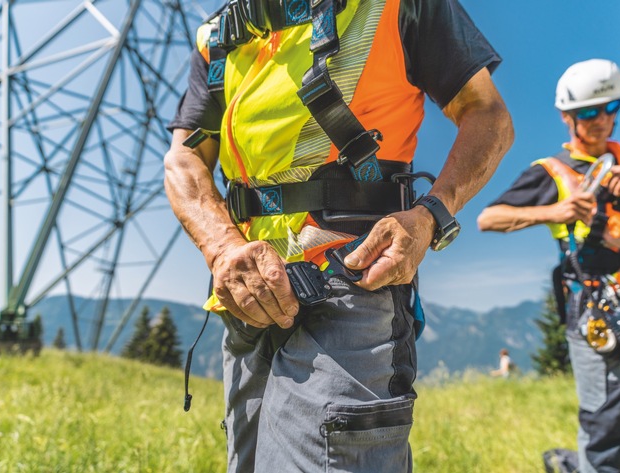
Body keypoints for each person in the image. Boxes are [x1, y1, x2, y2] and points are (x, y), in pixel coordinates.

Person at [164, 0, 513, 470]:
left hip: (351, 279)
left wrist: (431, 214)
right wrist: (222, 248)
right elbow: (184, 160)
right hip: (246, 294)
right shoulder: (220, 34)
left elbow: (487, 114)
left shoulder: (397, 6)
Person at [478, 58, 620, 473]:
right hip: (603, 316)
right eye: (589, 113)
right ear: (568, 117)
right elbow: (489, 219)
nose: (601, 120)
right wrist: (555, 211)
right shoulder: (553, 172)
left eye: (610, 108)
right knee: (606, 422)